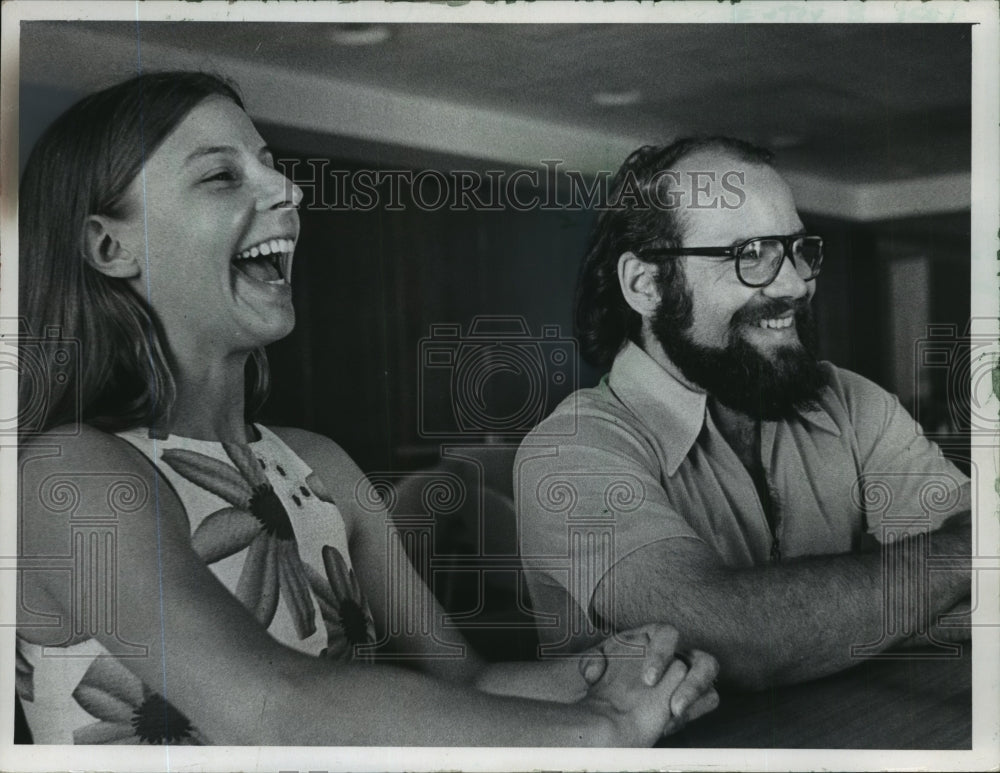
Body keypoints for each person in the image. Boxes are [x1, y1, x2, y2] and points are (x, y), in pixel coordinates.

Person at [14, 72, 719, 746]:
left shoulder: (317, 463)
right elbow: (274, 710)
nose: (288, 188)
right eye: (221, 176)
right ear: (110, 246)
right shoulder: (66, 474)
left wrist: (635, 676)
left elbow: (469, 681)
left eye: (269, 165)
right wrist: (605, 727)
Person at [514, 138, 971, 690]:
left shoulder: (853, 403)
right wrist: (962, 555)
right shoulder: (572, 451)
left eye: (799, 249)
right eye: (750, 254)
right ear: (647, 285)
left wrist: (916, 586)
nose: (797, 283)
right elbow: (728, 638)